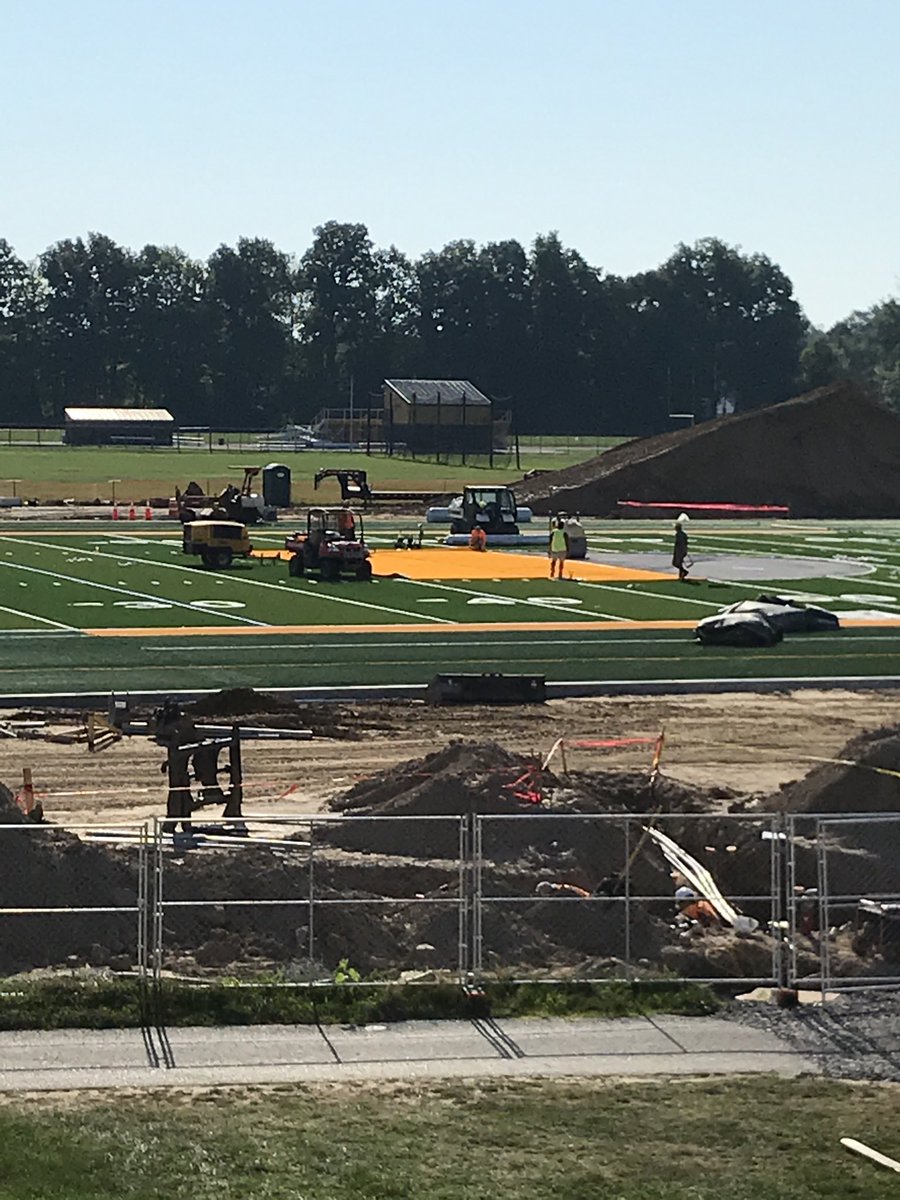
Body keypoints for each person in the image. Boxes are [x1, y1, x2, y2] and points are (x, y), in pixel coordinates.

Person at [672, 512, 691, 581]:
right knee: (679, 563)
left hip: (679, 551)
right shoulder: (682, 534)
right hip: (681, 550)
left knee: (676, 563)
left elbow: (680, 544)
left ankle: (684, 572)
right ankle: (681, 575)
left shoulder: (679, 535)